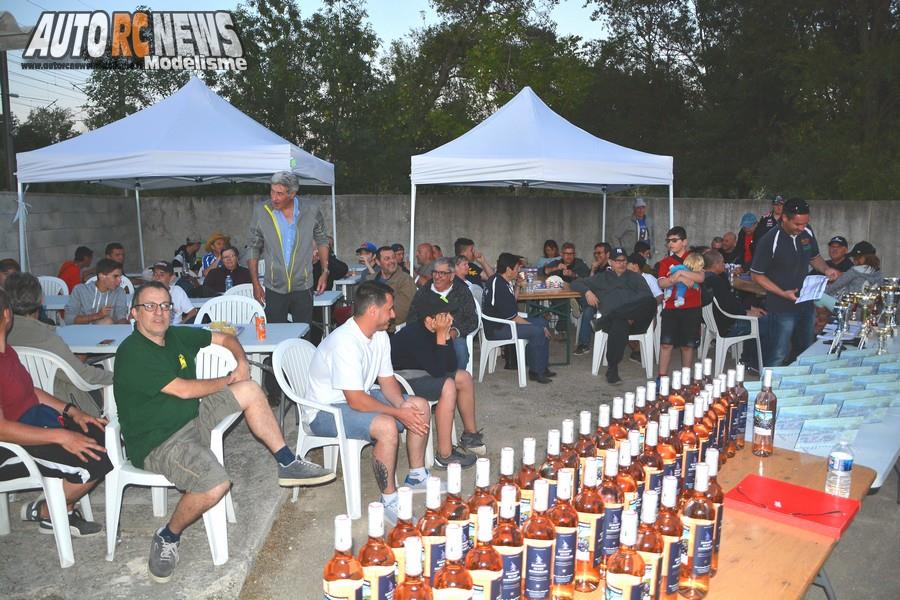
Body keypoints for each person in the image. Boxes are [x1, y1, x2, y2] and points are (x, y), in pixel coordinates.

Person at [114, 281, 334, 581]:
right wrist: (228, 379)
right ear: (134, 313)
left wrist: (242, 363)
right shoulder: (133, 352)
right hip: (160, 441)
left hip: (193, 417)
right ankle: (168, 535)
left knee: (251, 389)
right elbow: (184, 390)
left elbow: (226, 338)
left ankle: (287, 462)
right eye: (149, 306)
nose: (159, 313)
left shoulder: (176, 334)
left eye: (165, 306)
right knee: (215, 485)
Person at [306, 281, 432, 523]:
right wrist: (396, 414)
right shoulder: (345, 342)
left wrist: (401, 406)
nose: (394, 314)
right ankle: (388, 500)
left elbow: (386, 381)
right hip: (325, 411)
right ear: (373, 311)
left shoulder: (380, 334)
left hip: (357, 396)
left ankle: (416, 475)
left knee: (419, 405)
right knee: (386, 425)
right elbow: (356, 401)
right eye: (390, 309)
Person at [0, 287, 111, 537]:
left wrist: (73, 411)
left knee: (101, 434)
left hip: (36, 423)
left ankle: (61, 507)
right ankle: (49, 512)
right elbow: (2, 429)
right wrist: (62, 437)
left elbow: (32, 391)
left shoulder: (7, 352)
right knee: (93, 460)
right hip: (10, 448)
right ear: (8, 315)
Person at [391, 293, 486, 469]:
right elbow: (439, 372)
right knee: (448, 385)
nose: (451, 318)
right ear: (429, 319)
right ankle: (444, 455)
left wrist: (445, 338)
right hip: (402, 379)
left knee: (463, 377)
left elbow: (450, 366)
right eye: (445, 315)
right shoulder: (414, 335)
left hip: (422, 372)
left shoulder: (436, 330)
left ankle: (470, 435)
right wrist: (442, 338)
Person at [5, 272, 114, 416]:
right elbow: (84, 376)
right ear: (41, 300)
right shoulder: (47, 338)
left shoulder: (5, 334)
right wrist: (117, 376)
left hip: (18, 403)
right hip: (62, 404)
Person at [750, 198, 840, 367]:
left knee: (805, 350)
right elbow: (757, 276)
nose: (802, 228)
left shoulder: (807, 232)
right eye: (798, 224)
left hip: (806, 303)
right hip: (781, 307)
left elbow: (814, 257)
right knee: (778, 353)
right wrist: (783, 293)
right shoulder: (770, 240)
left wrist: (826, 269)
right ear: (784, 218)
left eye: (805, 223)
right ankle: (768, 390)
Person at [246, 172, 331, 325]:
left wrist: (325, 271)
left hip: (303, 285)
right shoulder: (261, 211)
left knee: (303, 335)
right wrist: (255, 283)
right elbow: (253, 246)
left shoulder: (311, 209)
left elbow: (322, 239)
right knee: (276, 336)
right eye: (272, 191)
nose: (274, 197)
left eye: (279, 193)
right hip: (274, 286)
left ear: (292, 194)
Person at [570, 248, 656, 384]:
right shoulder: (602, 277)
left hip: (636, 321)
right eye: (618, 261)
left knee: (650, 302)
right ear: (610, 262)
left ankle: (604, 320)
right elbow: (575, 283)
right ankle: (612, 369)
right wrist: (587, 292)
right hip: (617, 324)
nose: (621, 264)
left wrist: (630, 310)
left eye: (624, 261)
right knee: (619, 322)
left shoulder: (635, 277)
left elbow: (647, 297)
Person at [482, 253, 554, 384]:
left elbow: (512, 303)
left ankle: (542, 367)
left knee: (542, 322)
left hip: (505, 322)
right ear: (509, 270)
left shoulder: (502, 280)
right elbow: (514, 317)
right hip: (497, 328)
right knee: (537, 330)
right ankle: (535, 372)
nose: (518, 271)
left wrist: (517, 286)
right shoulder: (499, 285)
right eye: (516, 268)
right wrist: (536, 327)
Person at [407, 257, 479, 370]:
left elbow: (472, 319)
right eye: (435, 272)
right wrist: (427, 328)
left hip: (452, 333)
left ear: (452, 276)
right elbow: (412, 317)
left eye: (442, 273)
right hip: (427, 332)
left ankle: (455, 380)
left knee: (460, 352)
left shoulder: (462, 292)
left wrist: (456, 331)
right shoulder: (424, 292)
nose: (437, 277)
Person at [657, 227, 706, 378]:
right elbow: (662, 283)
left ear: (684, 242)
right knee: (666, 344)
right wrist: (677, 279)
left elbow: (700, 278)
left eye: (674, 240)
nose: (670, 244)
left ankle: (685, 379)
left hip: (691, 308)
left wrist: (679, 272)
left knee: (688, 345)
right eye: (668, 241)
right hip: (671, 307)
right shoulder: (665, 262)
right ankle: (662, 377)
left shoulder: (694, 258)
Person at [701, 250, 765, 364]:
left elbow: (729, 304)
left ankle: (748, 359)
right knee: (764, 322)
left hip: (715, 323)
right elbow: (730, 307)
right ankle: (751, 362)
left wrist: (749, 309)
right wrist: (747, 313)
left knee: (755, 312)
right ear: (715, 264)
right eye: (722, 262)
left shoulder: (704, 278)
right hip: (727, 326)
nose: (724, 265)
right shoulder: (717, 281)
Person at [64, 258, 130, 325]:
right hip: (81, 332)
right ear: (101, 276)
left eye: (120, 277)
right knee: (107, 321)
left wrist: (130, 321)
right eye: (115, 276)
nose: (120, 281)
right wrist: (98, 315)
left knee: (107, 321)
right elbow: (69, 319)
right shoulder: (80, 290)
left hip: (107, 334)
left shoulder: (119, 292)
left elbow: (121, 318)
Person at [372, 246, 416, 331]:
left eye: (393, 257)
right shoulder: (370, 279)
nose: (392, 261)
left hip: (392, 330)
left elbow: (400, 313)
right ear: (378, 262)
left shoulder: (405, 280)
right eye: (387, 258)